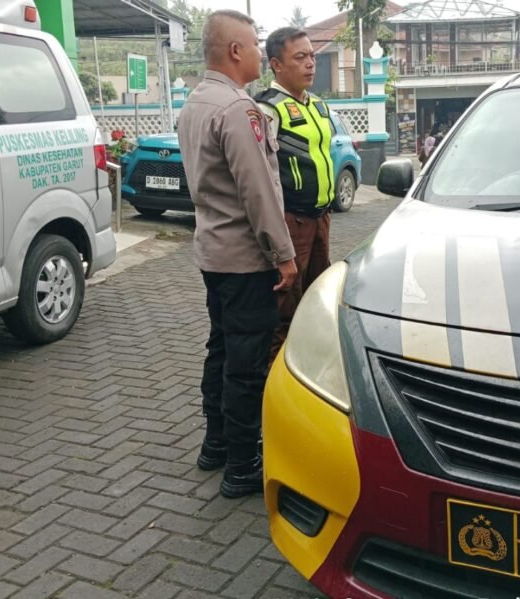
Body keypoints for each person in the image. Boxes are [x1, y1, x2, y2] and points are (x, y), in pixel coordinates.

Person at [177, 10, 297, 499]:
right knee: (245, 362)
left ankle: (217, 445)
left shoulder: (195, 103)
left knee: (222, 349)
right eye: (253, 44)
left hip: (213, 253)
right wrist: (283, 254)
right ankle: (243, 465)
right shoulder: (237, 109)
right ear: (234, 51)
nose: (258, 52)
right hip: (247, 260)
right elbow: (259, 193)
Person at [254, 27, 335, 362]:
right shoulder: (266, 109)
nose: (310, 64)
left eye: (312, 56)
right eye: (300, 58)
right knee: (285, 306)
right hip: (291, 222)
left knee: (318, 298)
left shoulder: (318, 105)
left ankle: (311, 369)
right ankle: (275, 381)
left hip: (321, 219)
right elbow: (260, 176)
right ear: (276, 64)